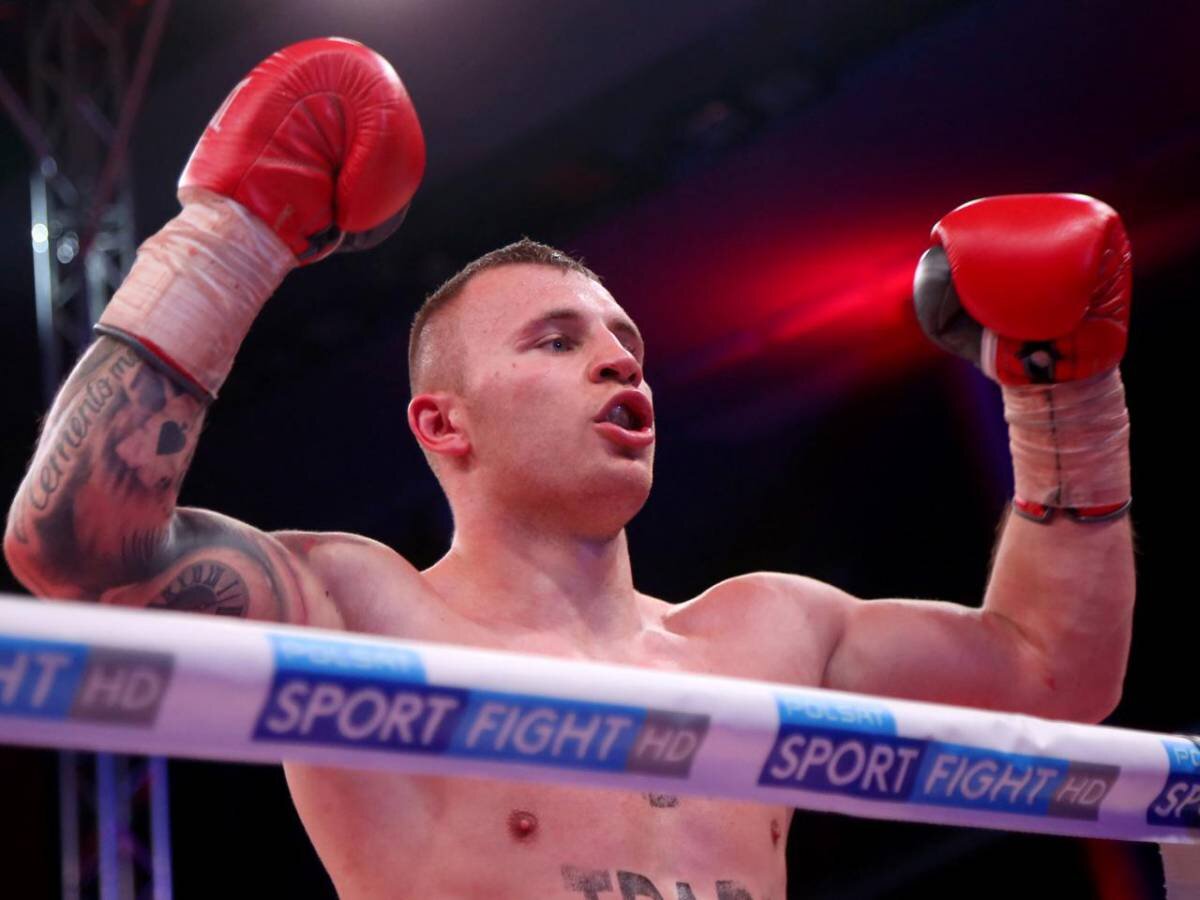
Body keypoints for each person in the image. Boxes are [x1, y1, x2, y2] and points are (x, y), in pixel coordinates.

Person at [3, 38, 1134, 899]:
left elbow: (1055, 676)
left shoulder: (769, 633)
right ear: (442, 425)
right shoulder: (360, 613)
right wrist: (231, 238)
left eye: (626, 343)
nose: (617, 361)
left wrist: (1066, 395)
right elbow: (77, 552)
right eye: (556, 341)